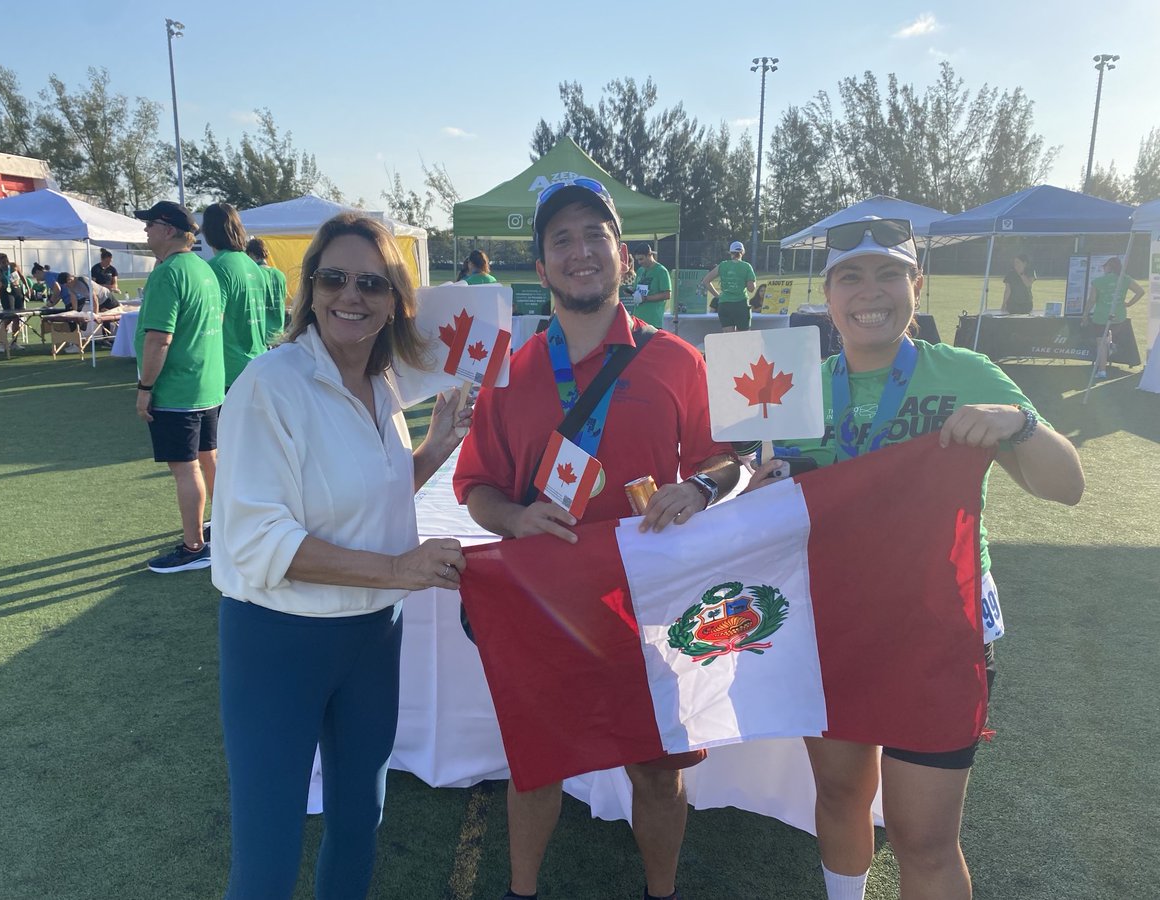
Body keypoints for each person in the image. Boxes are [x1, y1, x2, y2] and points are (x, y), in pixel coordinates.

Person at [742, 215, 1084, 900]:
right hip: (830, 631)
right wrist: (754, 484)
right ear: (829, 295)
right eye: (851, 276)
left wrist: (1019, 425)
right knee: (841, 800)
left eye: (889, 273)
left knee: (923, 839)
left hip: (938, 636)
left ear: (916, 287)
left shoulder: (965, 373)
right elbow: (760, 498)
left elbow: (1068, 487)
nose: (871, 291)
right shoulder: (791, 388)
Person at [453, 177, 740, 900]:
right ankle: (523, 891)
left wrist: (701, 486)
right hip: (540, 603)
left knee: (657, 769)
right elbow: (476, 487)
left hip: (645, 604)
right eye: (562, 240)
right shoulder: (508, 373)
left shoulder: (677, 359)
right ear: (541, 268)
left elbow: (725, 460)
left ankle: (661, 893)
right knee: (538, 766)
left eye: (595, 236)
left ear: (626, 258)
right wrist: (515, 519)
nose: (580, 252)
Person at [211, 212, 472, 899]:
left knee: (361, 822)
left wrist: (430, 454)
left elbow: (367, 501)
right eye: (334, 278)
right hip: (279, 643)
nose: (349, 296)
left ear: (395, 303)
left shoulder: (381, 384)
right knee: (268, 857)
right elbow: (259, 538)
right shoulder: (270, 384)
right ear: (310, 288)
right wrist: (398, 570)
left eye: (371, 283)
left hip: (371, 636)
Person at [133, 200, 226, 574]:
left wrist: (144, 388)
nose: (145, 231)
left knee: (186, 469)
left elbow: (160, 339)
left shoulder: (169, 273)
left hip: (178, 389)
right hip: (207, 386)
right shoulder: (203, 270)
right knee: (209, 460)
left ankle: (194, 546)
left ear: (168, 229)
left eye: (150, 224)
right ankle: (222, 530)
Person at [203, 203, 268, 390]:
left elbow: (213, 323)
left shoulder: (217, 267)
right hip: (257, 362)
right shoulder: (253, 266)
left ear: (208, 232)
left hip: (228, 371)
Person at [1082, 256, 1144, 379]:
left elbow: (1092, 300)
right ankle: (1110, 345)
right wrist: (1129, 303)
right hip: (1119, 317)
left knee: (1101, 344)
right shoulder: (1125, 279)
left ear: (1109, 267)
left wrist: (1084, 315)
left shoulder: (1098, 281)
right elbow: (1140, 291)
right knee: (1109, 338)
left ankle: (1102, 371)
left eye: (1104, 266)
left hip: (1101, 317)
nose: (1103, 269)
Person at [700, 240, 758, 332]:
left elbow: (706, 280)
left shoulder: (723, 265)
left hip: (724, 305)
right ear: (742, 252)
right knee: (742, 338)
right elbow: (751, 289)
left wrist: (718, 296)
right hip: (741, 304)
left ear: (730, 252)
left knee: (728, 338)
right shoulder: (747, 266)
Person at [245, 237, 289, 343]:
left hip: (261, 334)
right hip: (278, 333)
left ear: (251, 254)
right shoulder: (280, 275)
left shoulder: (253, 275)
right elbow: (284, 298)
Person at [629, 243, 671, 328]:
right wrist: (631, 291)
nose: (639, 262)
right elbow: (637, 289)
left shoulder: (661, 271)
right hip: (637, 319)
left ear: (649, 255)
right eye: (637, 260)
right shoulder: (640, 270)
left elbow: (667, 294)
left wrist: (646, 298)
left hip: (653, 320)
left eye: (641, 259)